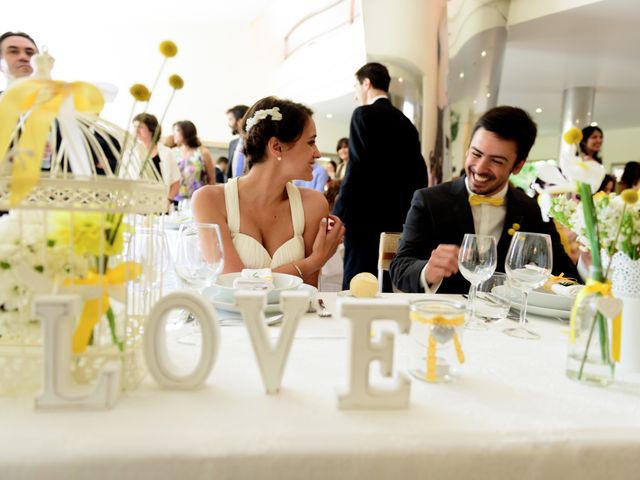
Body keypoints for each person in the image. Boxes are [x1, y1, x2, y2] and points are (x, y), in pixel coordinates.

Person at [390, 106, 579, 294]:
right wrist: (428, 271)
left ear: (518, 166)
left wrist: (589, 257)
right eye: (476, 153)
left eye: (496, 161)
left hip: (503, 319)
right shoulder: (429, 201)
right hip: (443, 315)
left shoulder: (529, 210)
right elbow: (400, 268)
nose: (480, 168)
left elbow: (564, 273)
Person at [192, 96, 344, 288]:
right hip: (230, 318)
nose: (318, 153)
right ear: (276, 147)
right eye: (311, 142)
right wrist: (313, 261)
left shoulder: (313, 204)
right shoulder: (209, 200)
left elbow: (307, 291)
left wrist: (311, 266)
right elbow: (232, 285)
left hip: (293, 316)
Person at [333, 62, 429, 290]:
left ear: (367, 83)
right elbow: (419, 173)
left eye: (356, 87)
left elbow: (357, 168)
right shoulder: (407, 124)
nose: (356, 96)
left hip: (364, 218)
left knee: (357, 282)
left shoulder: (363, 115)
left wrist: (338, 214)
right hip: (396, 219)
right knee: (384, 282)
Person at [132, 113, 181, 208]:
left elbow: (176, 181)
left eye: (140, 127)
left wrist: (168, 200)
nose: (136, 131)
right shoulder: (131, 153)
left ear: (151, 130)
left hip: (159, 206)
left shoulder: (166, 153)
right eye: (134, 126)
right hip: (136, 206)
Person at [172, 120, 215, 201]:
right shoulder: (173, 153)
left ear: (186, 132)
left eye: (177, 130)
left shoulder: (203, 152)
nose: (174, 134)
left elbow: (212, 178)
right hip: (176, 200)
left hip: (199, 200)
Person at [226, 104, 249, 179]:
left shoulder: (256, 143)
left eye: (230, 119)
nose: (228, 124)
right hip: (232, 188)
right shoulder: (232, 144)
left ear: (241, 120)